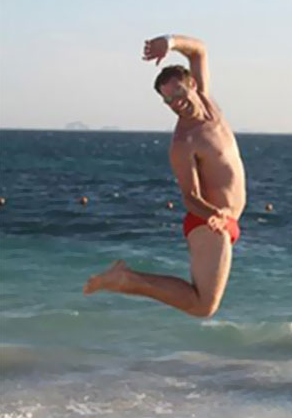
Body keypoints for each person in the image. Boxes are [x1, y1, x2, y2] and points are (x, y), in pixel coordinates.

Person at [84, 34, 245, 317]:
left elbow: (199, 52)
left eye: (178, 94)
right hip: (209, 222)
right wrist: (214, 216)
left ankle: (127, 279)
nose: (175, 103)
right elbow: (190, 197)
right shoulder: (183, 142)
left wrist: (169, 42)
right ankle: (127, 279)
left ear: (192, 85)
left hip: (225, 220)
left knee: (203, 303)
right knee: (203, 306)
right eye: (168, 100)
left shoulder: (209, 105)